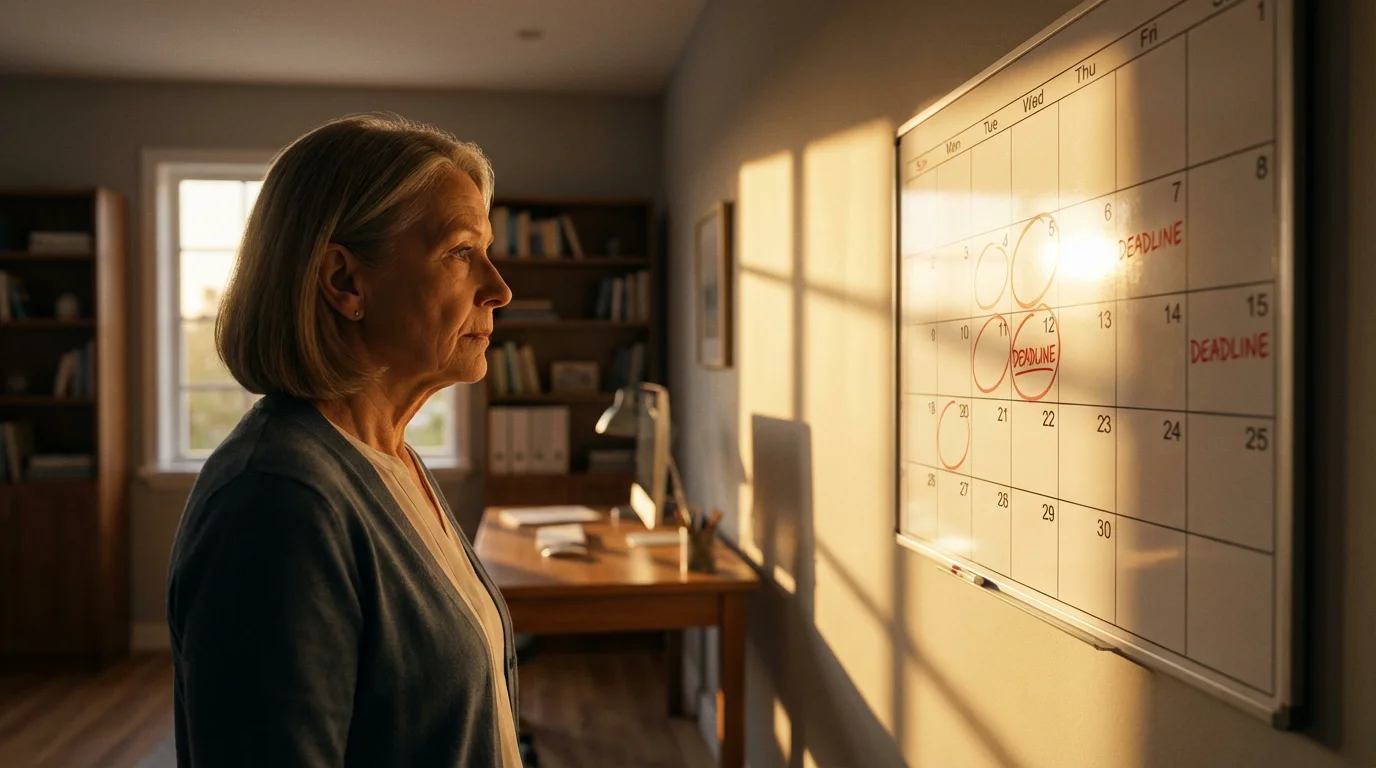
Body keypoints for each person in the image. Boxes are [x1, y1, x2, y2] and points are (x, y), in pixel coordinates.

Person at [165, 113, 518, 767]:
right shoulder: (277, 502)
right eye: (461, 252)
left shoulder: (390, 456)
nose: (499, 290)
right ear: (345, 282)